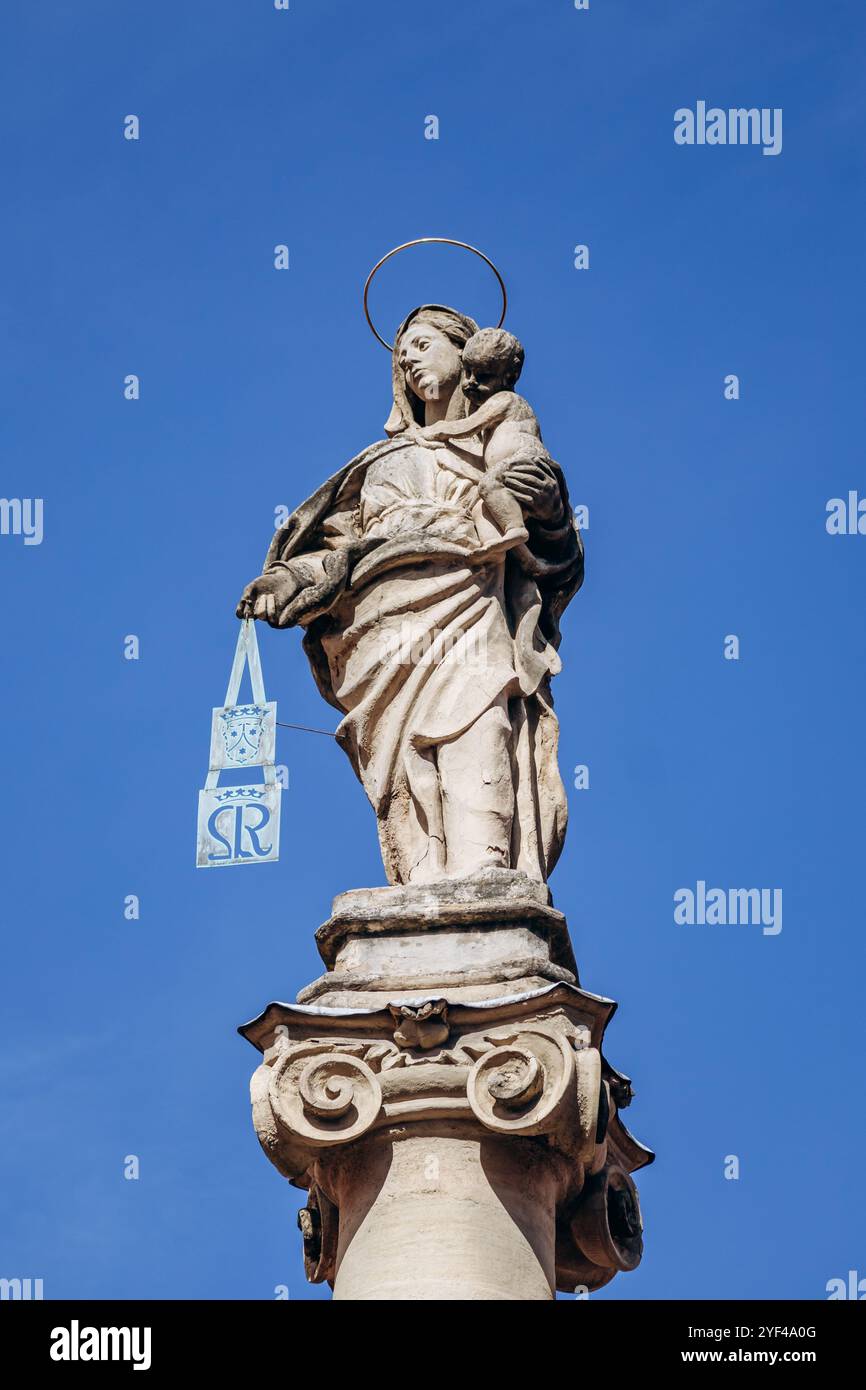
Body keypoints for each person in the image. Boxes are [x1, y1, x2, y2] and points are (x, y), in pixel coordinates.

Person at [237, 305, 583, 885]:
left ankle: (486, 874)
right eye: (402, 352)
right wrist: (287, 579)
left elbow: (555, 555)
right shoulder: (380, 463)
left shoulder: (500, 433)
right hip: (381, 620)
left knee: (481, 718)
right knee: (401, 759)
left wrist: (546, 507)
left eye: (422, 344)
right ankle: (423, 885)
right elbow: (336, 551)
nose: (407, 357)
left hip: (471, 591)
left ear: (465, 353)